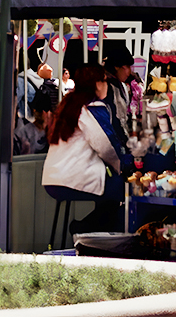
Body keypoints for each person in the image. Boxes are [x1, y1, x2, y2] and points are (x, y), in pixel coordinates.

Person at [43, 64, 129, 234]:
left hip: (52, 179)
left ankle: (86, 229)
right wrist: (125, 167)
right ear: (98, 83)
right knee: (127, 190)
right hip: (74, 178)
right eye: (105, 81)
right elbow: (106, 146)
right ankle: (89, 231)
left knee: (111, 194)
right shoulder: (93, 108)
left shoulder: (68, 104)